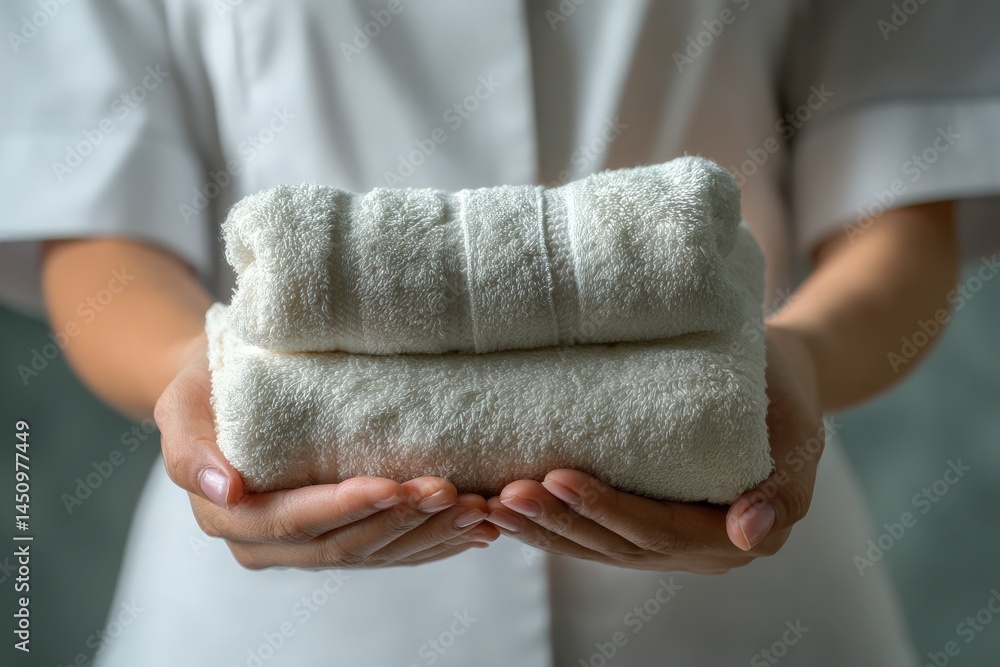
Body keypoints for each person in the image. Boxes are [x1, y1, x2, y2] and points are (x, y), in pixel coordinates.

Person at [3, 1, 998, 664]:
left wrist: (801, 364)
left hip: (743, 605)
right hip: (268, 625)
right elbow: (97, 220)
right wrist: (196, 381)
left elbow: (901, 208)